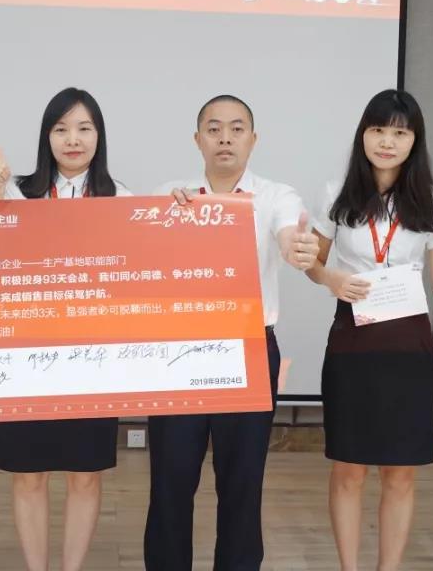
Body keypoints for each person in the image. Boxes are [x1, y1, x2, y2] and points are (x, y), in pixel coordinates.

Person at [305, 89, 433, 571]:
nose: (387, 142)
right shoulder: (336, 192)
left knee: (400, 473)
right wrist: (330, 279)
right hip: (353, 339)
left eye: (399, 133)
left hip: (408, 345)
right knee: (348, 468)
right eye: (378, 130)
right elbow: (313, 263)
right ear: (363, 134)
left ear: (414, 141)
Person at [142, 94, 319, 571]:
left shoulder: (277, 196)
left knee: (242, 482)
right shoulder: (169, 193)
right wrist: (164, 219)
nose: (225, 138)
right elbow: (141, 258)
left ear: (253, 140)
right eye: (214, 128)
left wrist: (296, 247)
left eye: (237, 129)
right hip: (179, 350)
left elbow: (287, 233)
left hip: (248, 348)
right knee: (171, 480)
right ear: (197, 139)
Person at [0, 86, 129, 571]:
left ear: (99, 136)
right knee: (28, 474)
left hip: (93, 358)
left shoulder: (122, 200)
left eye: (84, 128)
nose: (73, 139)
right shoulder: (16, 193)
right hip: (26, 356)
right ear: (46, 136)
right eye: (61, 129)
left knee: (85, 475)